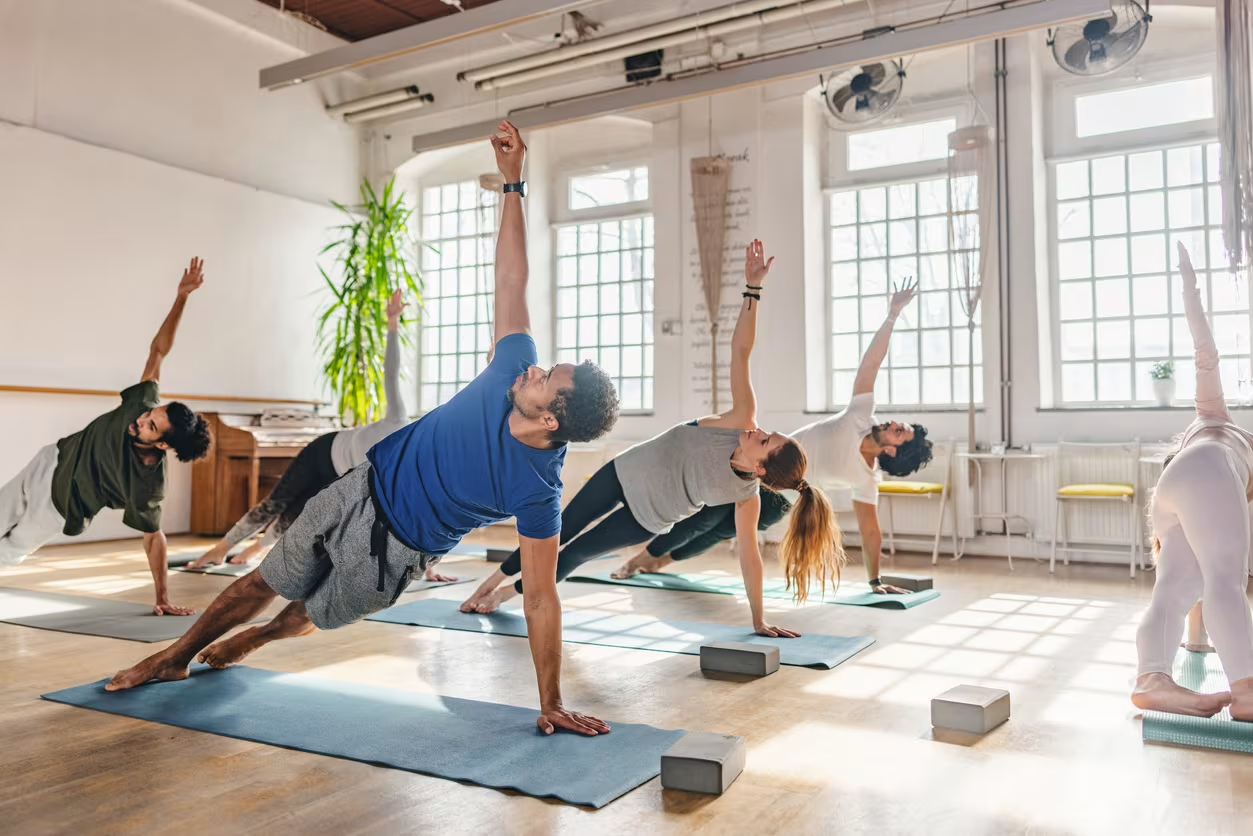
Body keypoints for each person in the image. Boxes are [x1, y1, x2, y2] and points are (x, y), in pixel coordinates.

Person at [106, 122, 623, 737]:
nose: (535, 367)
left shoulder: (538, 491)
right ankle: (173, 657)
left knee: (307, 614)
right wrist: (513, 183)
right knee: (264, 580)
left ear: (550, 419)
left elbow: (540, 597)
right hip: (357, 489)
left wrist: (551, 701)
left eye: (547, 379)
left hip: (398, 554)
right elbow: (512, 280)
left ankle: (260, 638)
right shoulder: (510, 367)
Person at [461, 240, 838, 637]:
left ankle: (504, 595)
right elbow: (740, 351)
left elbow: (751, 559)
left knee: (574, 554)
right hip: (622, 472)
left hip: (645, 519)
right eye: (767, 432)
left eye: (763, 441)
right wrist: (752, 288)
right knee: (560, 528)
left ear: (760, 468)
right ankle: (486, 583)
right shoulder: (739, 418)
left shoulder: (746, 500)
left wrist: (758, 619)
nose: (757, 430)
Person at [187, 291, 454, 584]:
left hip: (340, 475)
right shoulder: (398, 419)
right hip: (323, 451)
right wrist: (392, 323)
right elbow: (391, 373)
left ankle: (257, 547)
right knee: (276, 502)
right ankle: (220, 548)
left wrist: (428, 568)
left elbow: (423, 515)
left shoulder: (415, 469)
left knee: (298, 516)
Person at [0, 258, 211, 615]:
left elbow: (153, 539)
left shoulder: (148, 484)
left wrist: (161, 597)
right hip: (49, 461)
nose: (142, 419)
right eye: (150, 414)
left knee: (8, 550)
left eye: (151, 425)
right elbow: (158, 351)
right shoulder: (140, 404)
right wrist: (182, 298)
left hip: (57, 506)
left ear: (162, 444)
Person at [1132, 241, 1253, 719]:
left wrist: (1190, 287)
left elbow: (1206, 353)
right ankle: (1246, 692)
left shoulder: (1209, 420)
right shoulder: (1216, 435)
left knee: (1177, 587)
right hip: (1203, 471)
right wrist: (1190, 288)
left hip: (1175, 490)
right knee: (1225, 578)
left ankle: (1152, 678)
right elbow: (1205, 350)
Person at [789, 283, 933, 595]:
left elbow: (871, 531)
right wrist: (892, 315)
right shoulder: (861, 414)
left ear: (893, 451)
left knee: (713, 527)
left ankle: (656, 557)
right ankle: (655, 551)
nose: (893, 422)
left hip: (783, 494)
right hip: (770, 455)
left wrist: (875, 582)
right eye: (899, 423)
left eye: (898, 430)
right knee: (705, 511)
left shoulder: (867, 479)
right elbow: (871, 364)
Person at [609, 487, 793, 578]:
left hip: (781, 500)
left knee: (717, 533)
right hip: (749, 479)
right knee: (701, 521)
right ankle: (636, 562)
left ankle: (659, 563)